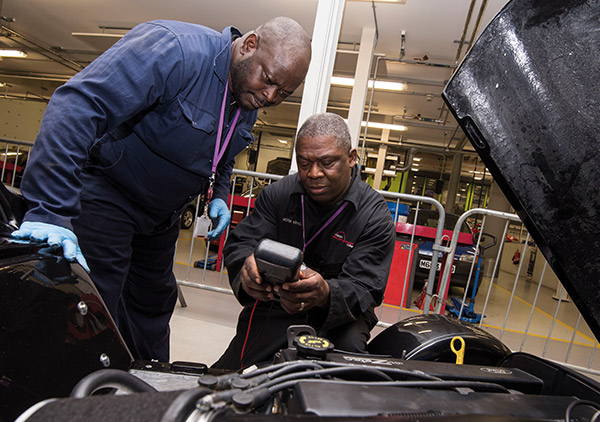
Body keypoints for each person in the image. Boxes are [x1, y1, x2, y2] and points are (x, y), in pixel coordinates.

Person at [11, 17, 311, 362]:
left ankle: (143, 386)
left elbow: (224, 149)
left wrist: (219, 193)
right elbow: (77, 105)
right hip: (110, 197)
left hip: (161, 218)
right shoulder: (175, 50)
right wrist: (49, 210)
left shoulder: (248, 94)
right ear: (249, 45)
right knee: (95, 304)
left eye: (283, 93)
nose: (270, 96)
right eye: (269, 80)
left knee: (153, 305)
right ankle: (76, 390)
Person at [213, 112, 396, 370]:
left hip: (341, 316)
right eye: (304, 162)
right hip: (276, 304)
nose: (314, 173)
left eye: (327, 162)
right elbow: (242, 242)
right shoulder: (279, 194)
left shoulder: (374, 216)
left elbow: (365, 288)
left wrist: (325, 293)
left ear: (352, 158)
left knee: (339, 381)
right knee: (229, 376)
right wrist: (247, 268)